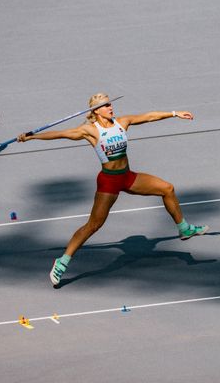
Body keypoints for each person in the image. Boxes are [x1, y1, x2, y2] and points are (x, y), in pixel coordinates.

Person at [17, 93, 209, 286]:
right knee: (93, 225)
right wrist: (33, 137)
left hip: (128, 177)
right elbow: (61, 134)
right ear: (96, 110)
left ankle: (184, 229)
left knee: (167, 188)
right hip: (109, 182)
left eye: (110, 104)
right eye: (106, 105)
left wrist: (175, 113)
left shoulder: (122, 122)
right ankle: (62, 262)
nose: (111, 107)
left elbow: (149, 116)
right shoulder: (91, 130)